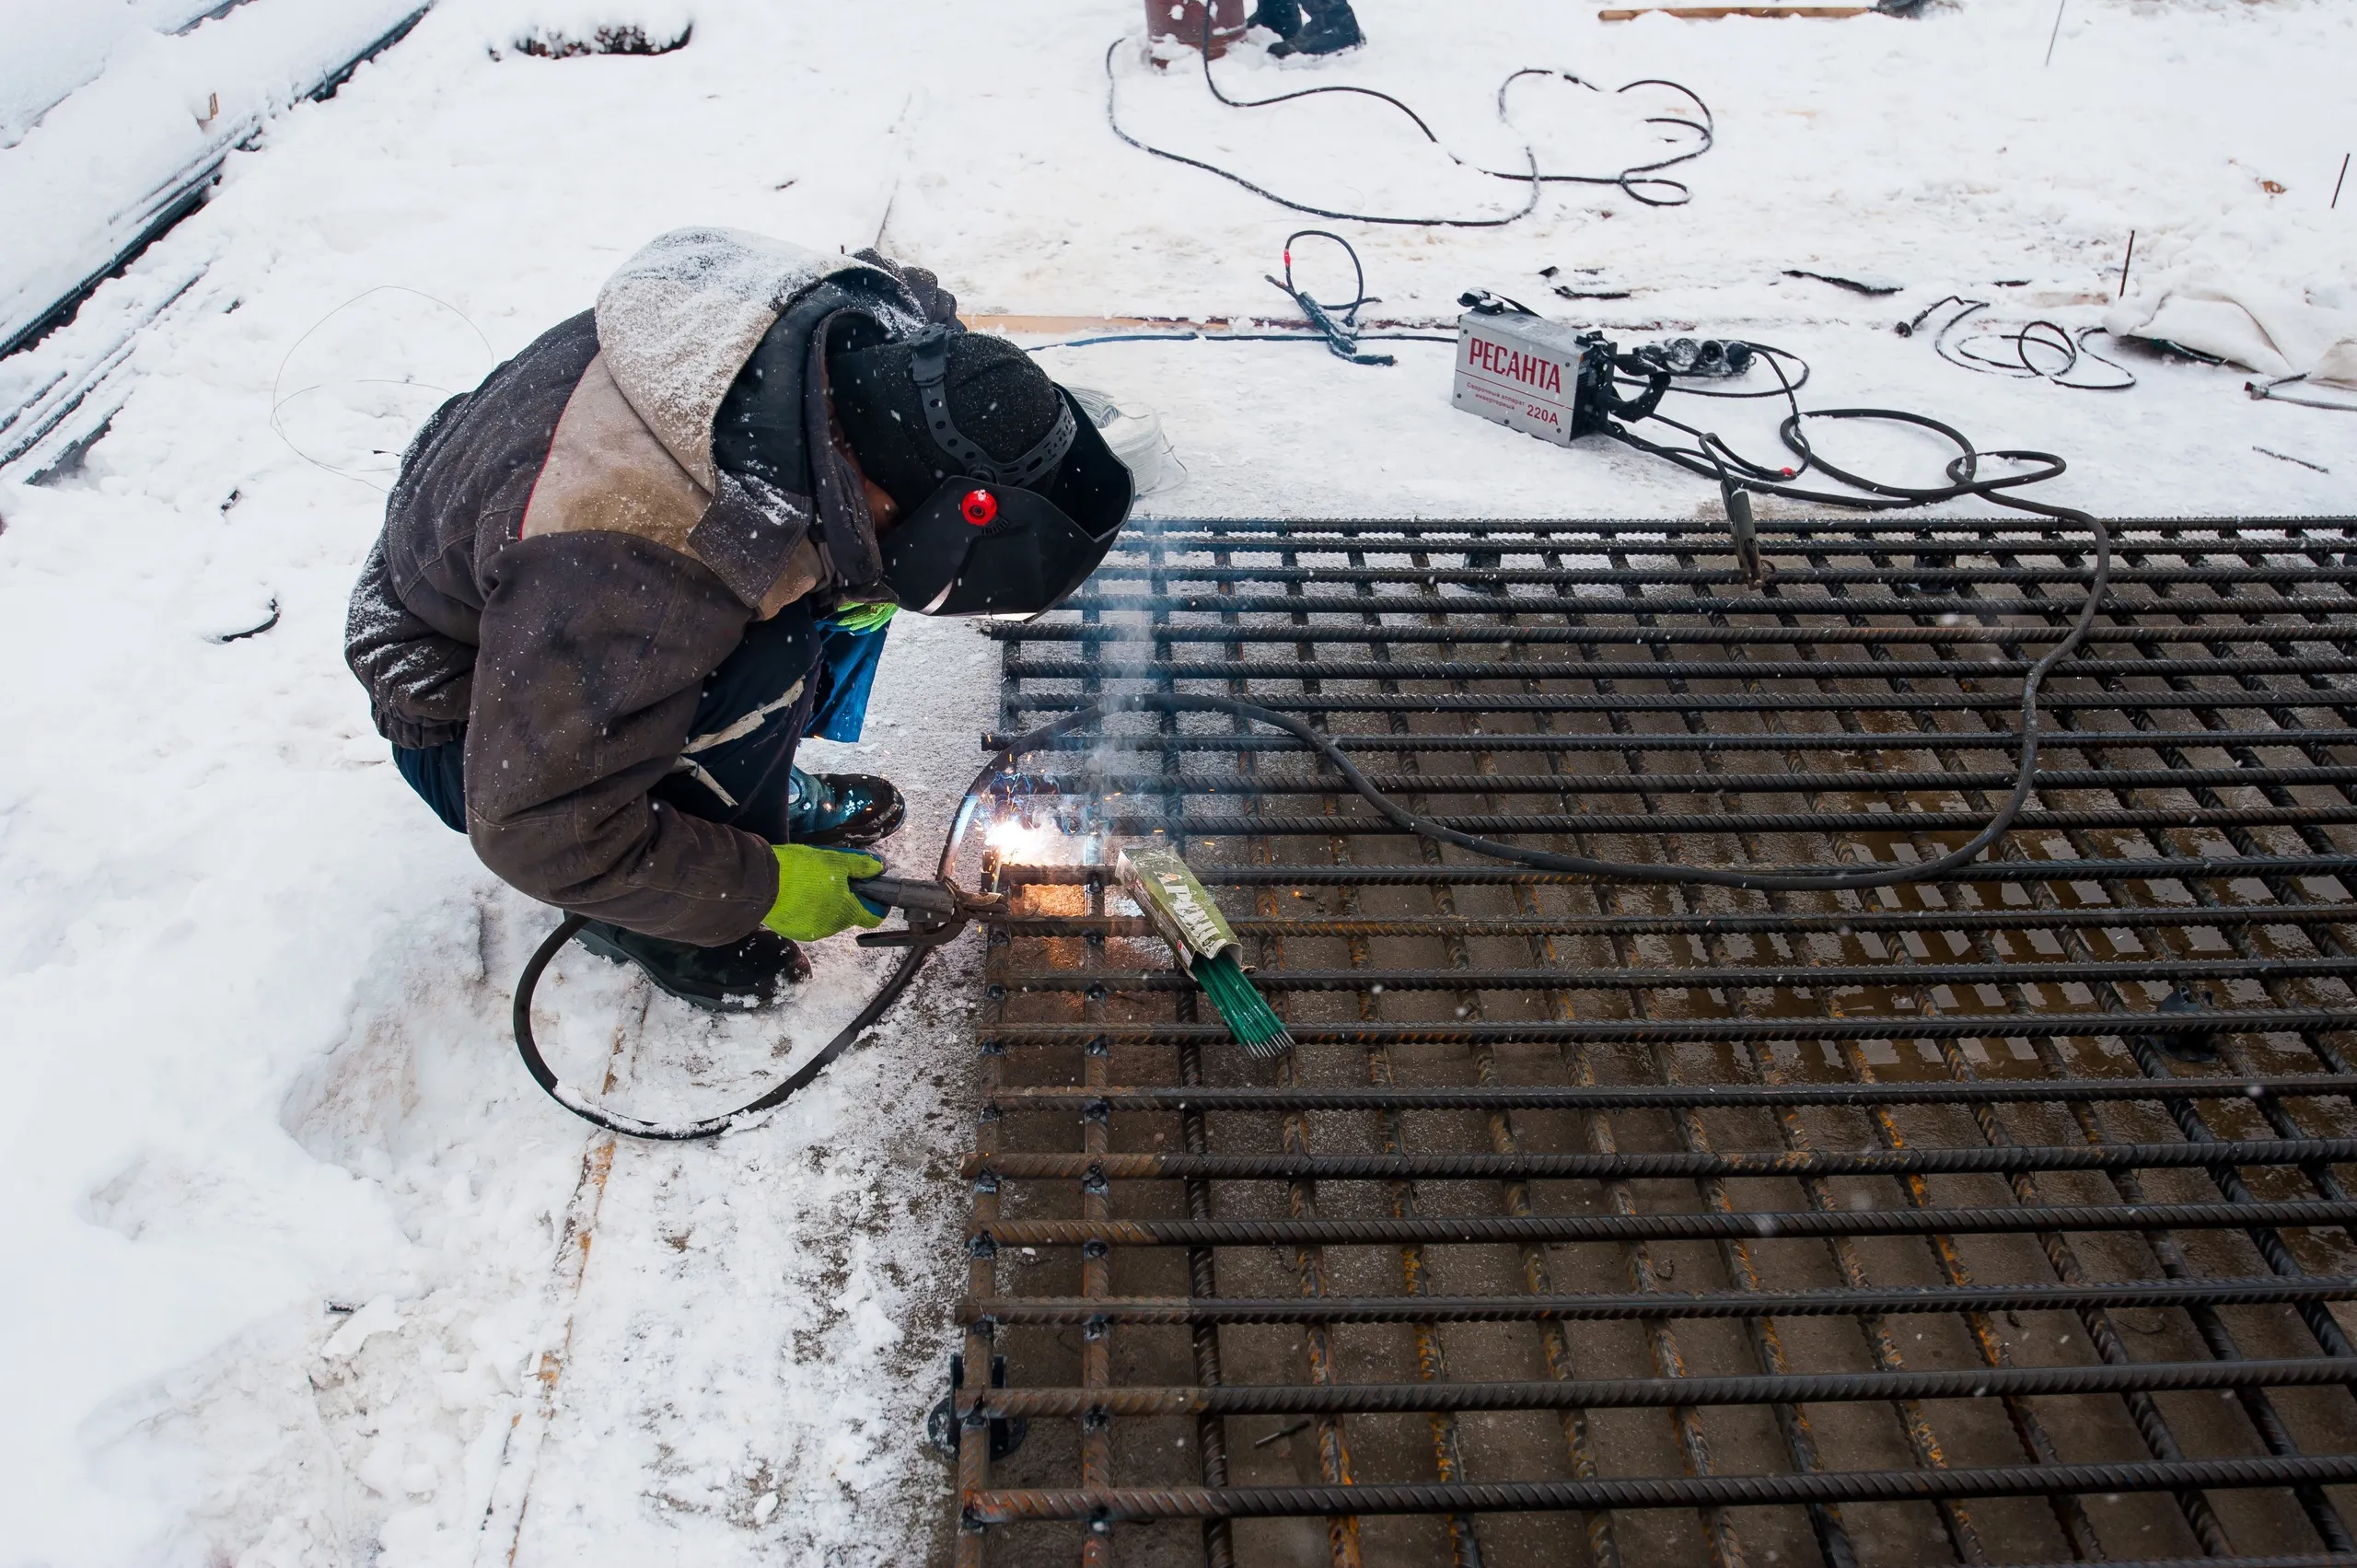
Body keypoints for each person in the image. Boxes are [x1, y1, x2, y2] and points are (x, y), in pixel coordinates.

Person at [345, 229, 1132, 1009]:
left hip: (542, 593)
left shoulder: (878, 330)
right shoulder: (643, 567)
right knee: (774, 649)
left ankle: (735, 791)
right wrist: (763, 885)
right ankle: (659, 920)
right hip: (475, 717)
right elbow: (538, 828)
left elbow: (956, 369)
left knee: (834, 578)